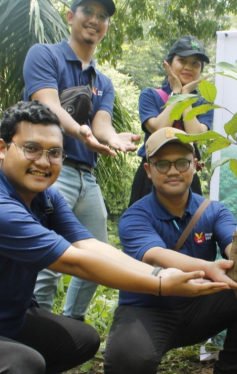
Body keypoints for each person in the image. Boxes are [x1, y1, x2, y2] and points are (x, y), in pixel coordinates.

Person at [0, 101, 226, 374]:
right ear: (2, 148)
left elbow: (91, 245)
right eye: (32, 149)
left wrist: (162, 274)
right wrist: (161, 284)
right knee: (22, 364)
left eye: (54, 153)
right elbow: (74, 260)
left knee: (81, 339)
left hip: (3, 323)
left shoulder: (47, 199)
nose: (44, 161)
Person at [104, 128, 237, 374]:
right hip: (147, 309)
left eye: (182, 162)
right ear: (148, 171)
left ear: (195, 165)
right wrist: (207, 267)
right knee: (128, 361)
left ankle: (229, 370)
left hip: (198, 305)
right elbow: (155, 254)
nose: (173, 171)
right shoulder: (135, 216)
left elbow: (232, 246)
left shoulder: (214, 211)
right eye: (162, 164)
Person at [23, 0, 141, 321]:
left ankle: (70, 322)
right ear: (71, 16)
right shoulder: (45, 55)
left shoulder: (103, 83)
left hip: (86, 176)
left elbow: (102, 124)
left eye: (102, 16)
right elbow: (48, 106)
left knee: (98, 256)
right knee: (49, 260)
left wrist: (111, 137)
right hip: (48, 170)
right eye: (88, 12)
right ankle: (35, 327)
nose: (95, 20)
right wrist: (81, 131)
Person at [128, 35, 213, 207]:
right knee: (143, 227)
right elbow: (159, 128)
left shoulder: (203, 105)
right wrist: (176, 95)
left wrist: (185, 98)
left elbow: (194, 135)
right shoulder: (150, 96)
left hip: (187, 176)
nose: (188, 67)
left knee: (191, 229)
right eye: (182, 60)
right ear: (169, 63)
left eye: (195, 63)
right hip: (151, 175)